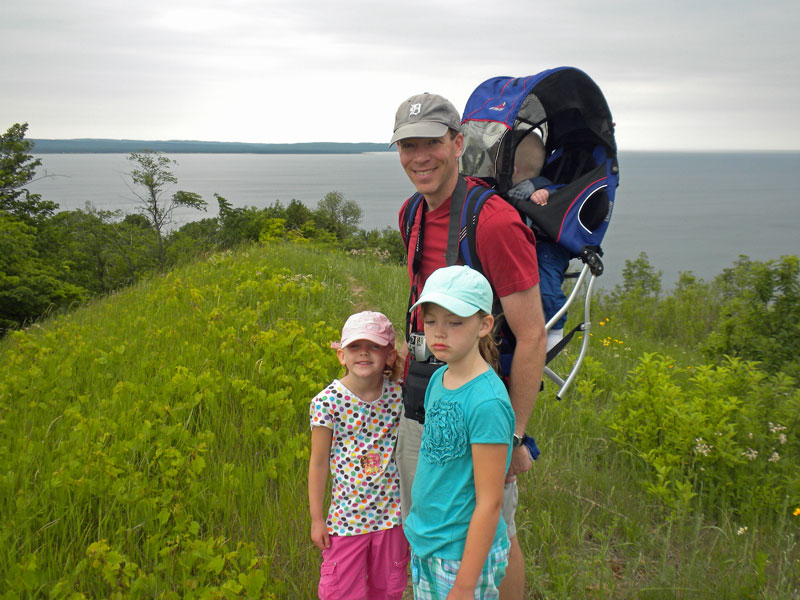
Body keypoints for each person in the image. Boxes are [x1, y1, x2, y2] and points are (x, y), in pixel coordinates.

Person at [391, 92, 547, 599]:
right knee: (431, 517)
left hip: (478, 405)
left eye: (431, 143)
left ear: (458, 143)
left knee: (497, 526)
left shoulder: (495, 222)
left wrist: (516, 438)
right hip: (426, 392)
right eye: (407, 145)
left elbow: (530, 334)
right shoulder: (410, 214)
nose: (419, 157)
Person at [404, 265, 515, 599]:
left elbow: (490, 502)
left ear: (484, 325)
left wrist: (465, 585)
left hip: (461, 555)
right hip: (427, 539)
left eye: (454, 323)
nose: (439, 333)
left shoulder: (487, 404)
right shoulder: (440, 378)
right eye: (431, 320)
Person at [307, 311, 409, 600]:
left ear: (389, 356)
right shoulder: (327, 402)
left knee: (388, 589)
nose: (363, 352)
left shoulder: (400, 396)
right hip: (346, 520)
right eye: (354, 346)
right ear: (341, 355)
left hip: (392, 519)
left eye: (374, 346)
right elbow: (317, 463)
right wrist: (317, 519)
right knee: (341, 591)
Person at [506, 132, 571, 352]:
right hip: (525, 245)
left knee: (546, 285)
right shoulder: (508, 188)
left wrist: (545, 193)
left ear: (513, 169)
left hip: (547, 247)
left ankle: (555, 329)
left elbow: (561, 193)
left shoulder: (539, 185)